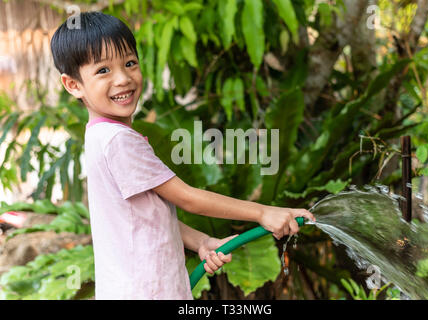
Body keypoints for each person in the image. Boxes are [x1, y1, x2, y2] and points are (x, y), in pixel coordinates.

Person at [50, 11, 315, 300]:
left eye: (130, 63)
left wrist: (201, 241)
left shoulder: (98, 135)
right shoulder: (118, 141)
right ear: (73, 84)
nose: (123, 78)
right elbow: (188, 198)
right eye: (103, 70)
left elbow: (143, 216)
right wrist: (264, 212)